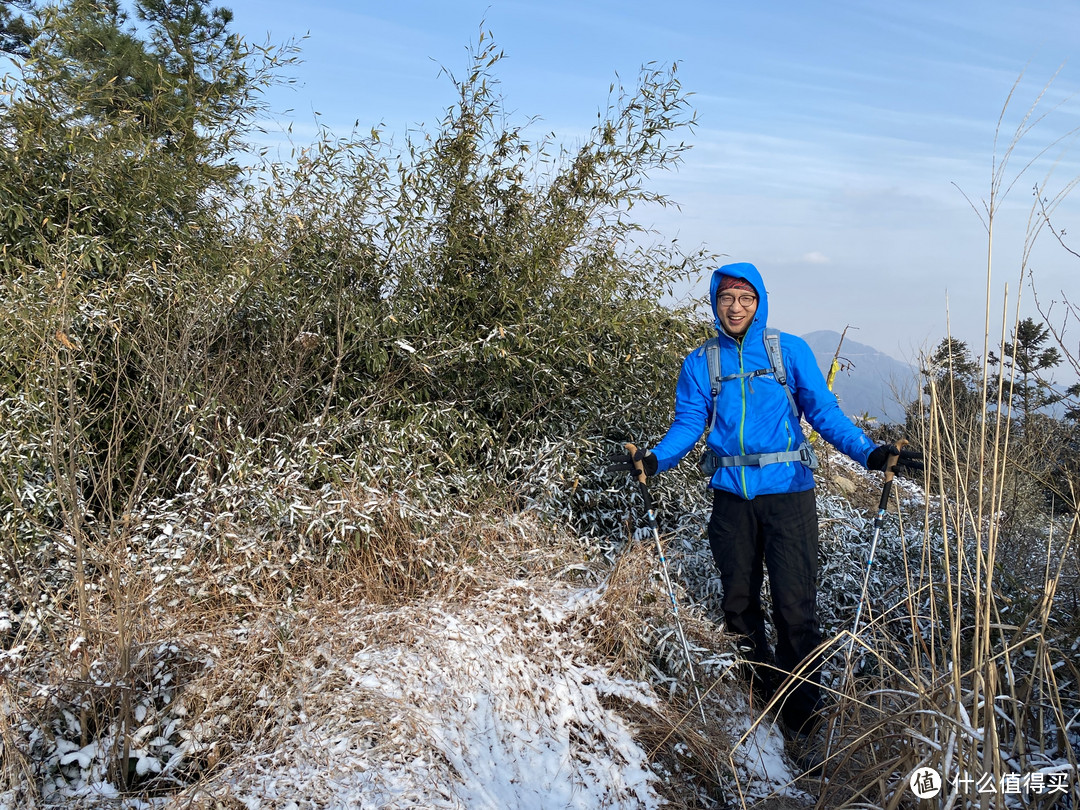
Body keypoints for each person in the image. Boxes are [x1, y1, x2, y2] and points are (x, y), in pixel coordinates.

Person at [608, 261, 921, 748]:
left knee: (795, 610)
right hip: (731, 499)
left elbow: (823, 412)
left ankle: (802, 720)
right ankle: (764, 701)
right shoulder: (701, 362)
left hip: (790, 495)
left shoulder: (786, 351)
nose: (736, 308)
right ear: (715, 304)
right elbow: (689, 424)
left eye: (745, 299)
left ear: (760, 303)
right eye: (727, 299)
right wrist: (655, 459)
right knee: (738, 607)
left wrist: (872, 453)